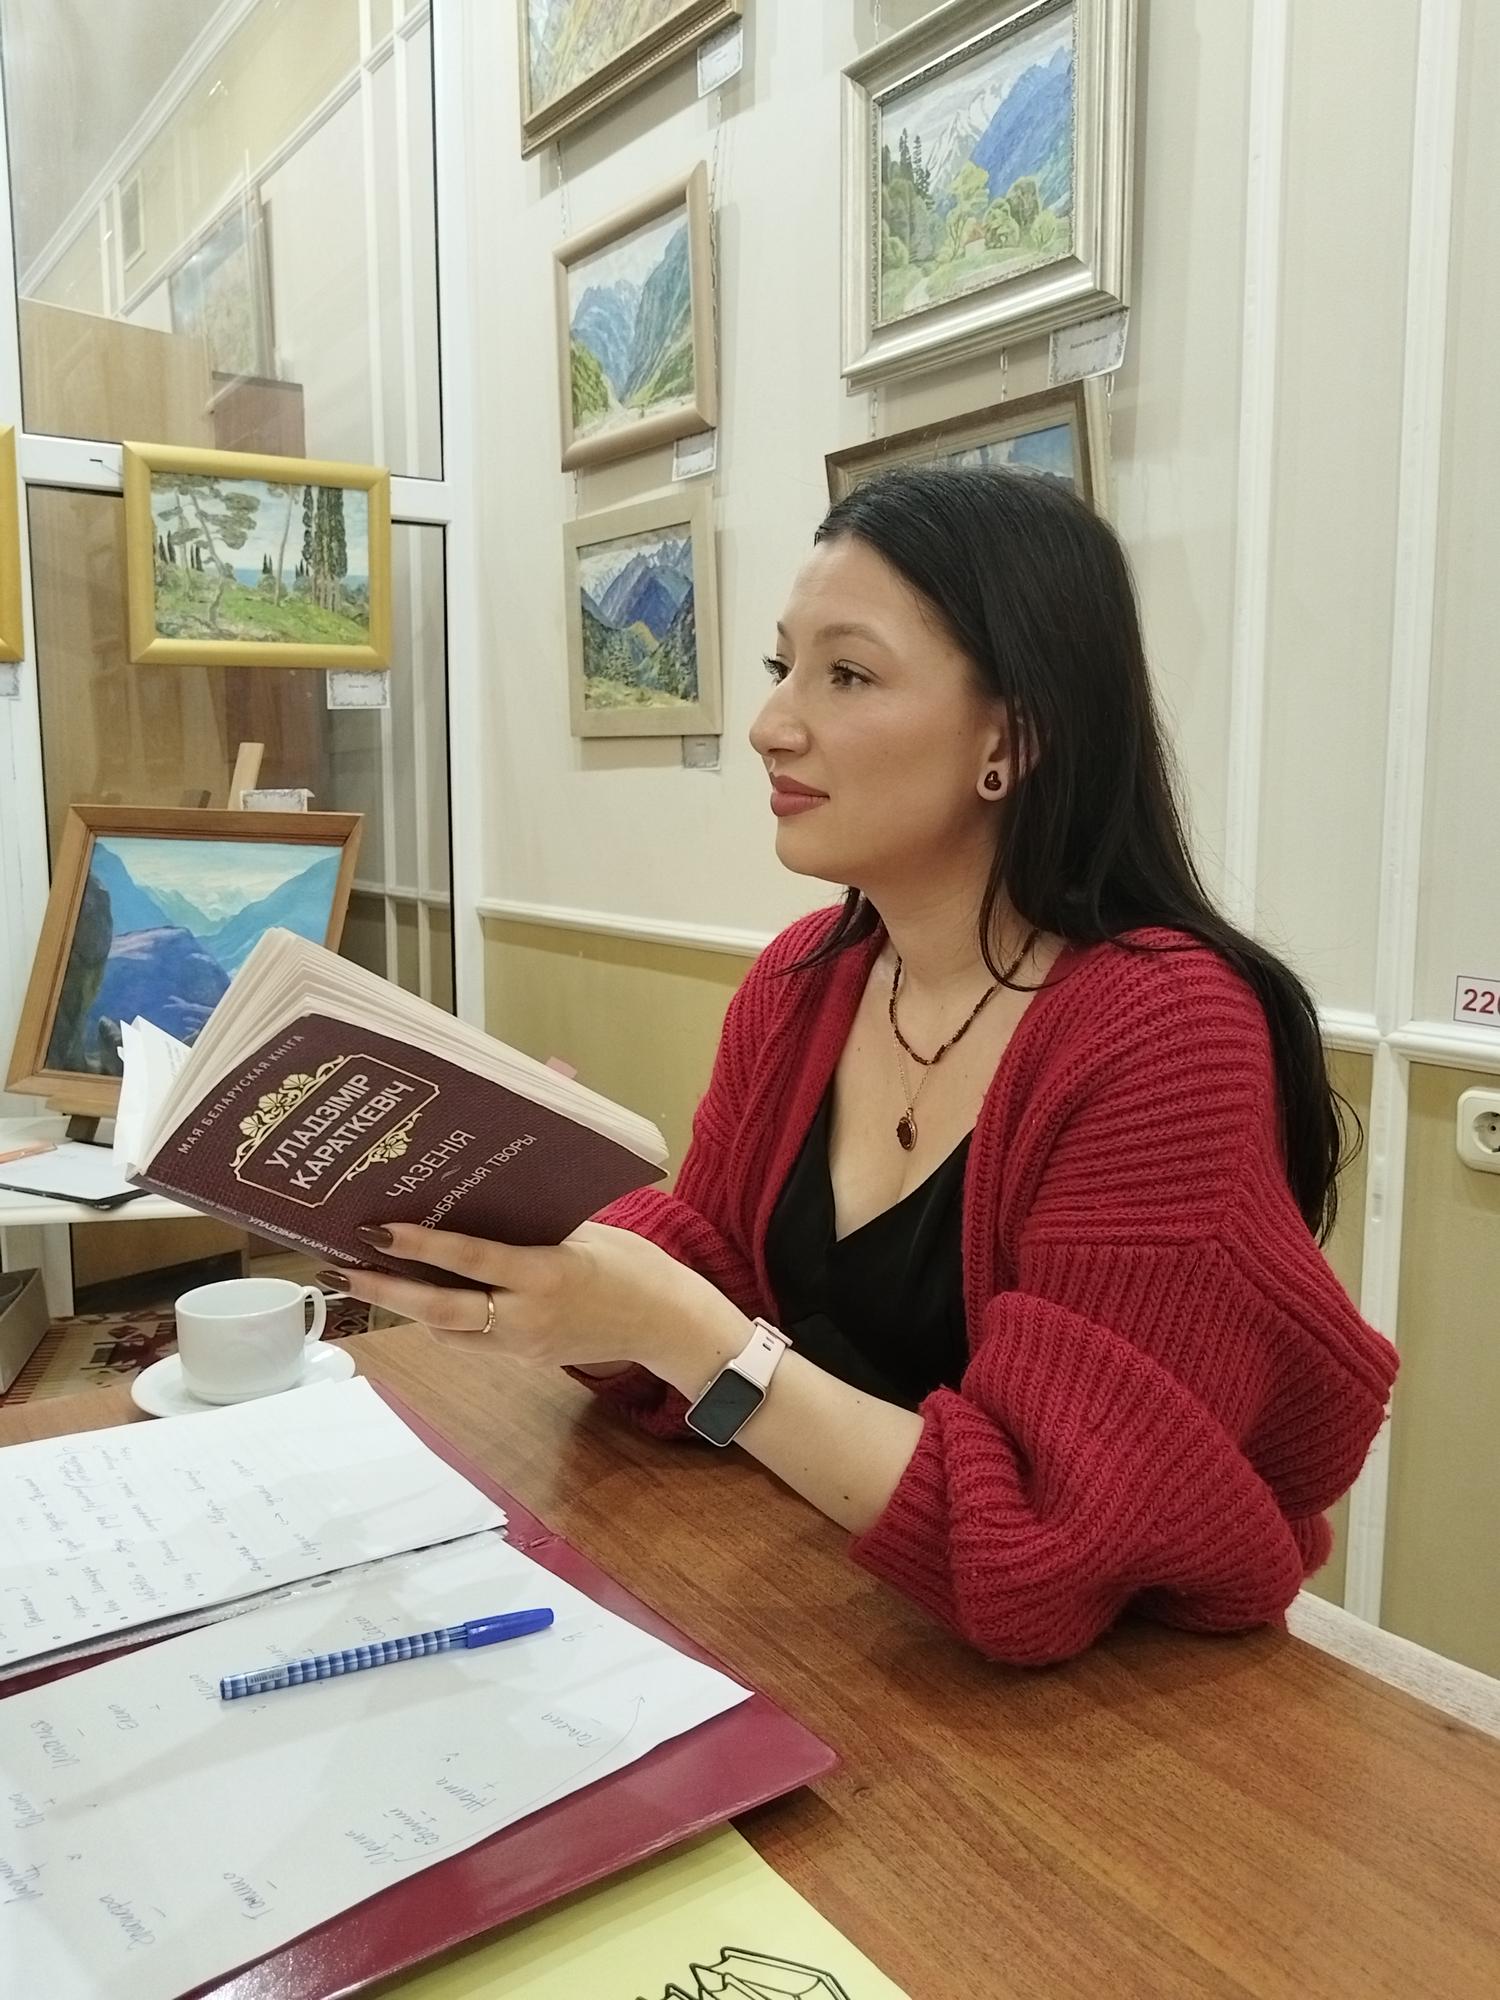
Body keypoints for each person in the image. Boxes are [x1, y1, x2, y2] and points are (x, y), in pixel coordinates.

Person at [325, 466, 1400, 1668]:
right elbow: (714, 1274)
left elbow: (1046, 1542)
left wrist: (679, 1327)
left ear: (1012, 738)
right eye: (781, 665)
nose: (771, 724)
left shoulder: (1166, 1029)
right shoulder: (802, 981)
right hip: (845, 1621)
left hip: (1119, 1706)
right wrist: (536, 1221)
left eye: (847, 673)